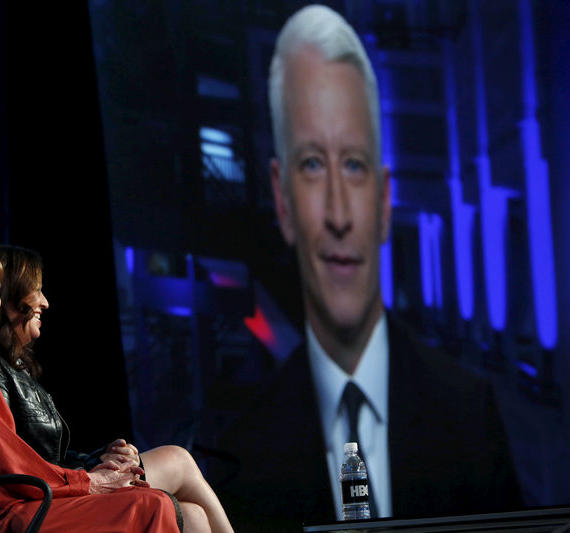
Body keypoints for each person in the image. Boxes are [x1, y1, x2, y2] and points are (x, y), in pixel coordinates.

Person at [213, 5, 522, 531]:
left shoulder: (471, 415)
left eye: (353, 165)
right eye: (312, 164)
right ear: (282, 201)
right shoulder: (240, 453)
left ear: (383, 201)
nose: (337, 214)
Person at [0, 236, 181, 532]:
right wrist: (89, 481)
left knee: (158, 501)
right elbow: (3, 461)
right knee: (149, 502)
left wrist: (88, 472)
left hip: (3, 504)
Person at [0, 244, 233, 533]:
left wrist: (99, 458)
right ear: (10, 297)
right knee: (178, 460)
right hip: (46, 500)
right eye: (35, 289)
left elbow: (46, 454)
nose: (45, 302)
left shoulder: (15, 365)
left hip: (64, 484)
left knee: (193, 515)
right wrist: (92, 473)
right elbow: (18, 464)